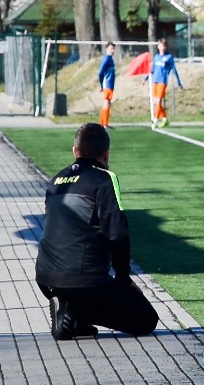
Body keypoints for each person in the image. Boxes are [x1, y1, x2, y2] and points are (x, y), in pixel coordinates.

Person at [35, 123, 159, 340]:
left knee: (84, 288)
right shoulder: (104, 178)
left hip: (46, 277)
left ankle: (72, 314)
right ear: (106, 154)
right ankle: (73, 309)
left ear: (75, 151)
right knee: (146, 320)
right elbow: (117, 233)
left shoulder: (56, 180)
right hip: (83, 280)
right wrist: (123, 279)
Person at [144, 39, 183, 128]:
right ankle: (164, 119)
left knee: (158, 101)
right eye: (161, 45)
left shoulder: (169, 57)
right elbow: (152, 69)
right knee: (155, 102)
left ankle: (155, 120)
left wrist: (178, 82)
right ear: (158, 46)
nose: (162, 47)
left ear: (165, 47)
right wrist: (145, 78)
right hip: (155, 81)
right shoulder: (156, 57)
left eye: (164, 46)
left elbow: (174, 69)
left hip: (162, 81)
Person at [97, 42, 116, 128]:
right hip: (106, 84)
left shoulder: (111, 59)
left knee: (107, 103)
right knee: (106, 103)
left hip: (110, 84)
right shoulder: (106, 59)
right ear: (107, 49)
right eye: (111, 48)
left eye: (113, 49)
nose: (113, 50)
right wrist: (101, 84)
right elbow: (100, 72)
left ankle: (102, 123)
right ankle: (104, 124)